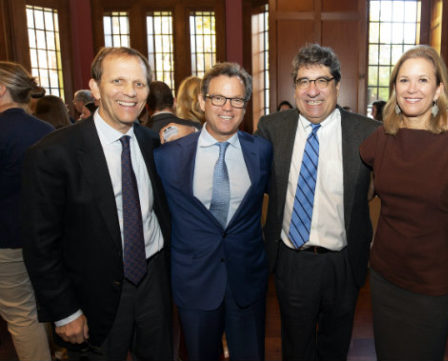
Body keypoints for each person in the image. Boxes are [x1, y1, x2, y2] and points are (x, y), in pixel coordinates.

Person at [21, 47, 172, 360]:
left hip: (154, 282)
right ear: (94, 88)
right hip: (92, 292)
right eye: (118, 81)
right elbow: (40, 244)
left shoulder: (151, 143)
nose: (130, 92)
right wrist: (63, 311)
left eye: (139, 84)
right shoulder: (53, 153)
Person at [255, 43, 379, 360]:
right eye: (303, 81)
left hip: (343, 261)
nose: (313, 91)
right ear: (294, 87)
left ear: (337, 85)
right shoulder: (272, 129)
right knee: (295, 347)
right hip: (292, 261)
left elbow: (405, 165)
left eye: (322, 80)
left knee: (335, 347)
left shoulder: (369, 133)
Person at [359, 45, 448, 360]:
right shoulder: (380, 139)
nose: (412, 89)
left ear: (439, 89)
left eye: (423, 80)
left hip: (431, 283)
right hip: (384, 275)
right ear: (394, 88)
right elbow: (357, 185)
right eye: (404, 80)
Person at [155, 62, 272, 360]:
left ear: (245, 106)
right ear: (202, 101)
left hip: (247, 281)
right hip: (195, 282)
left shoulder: (260, 151)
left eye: (236, 100)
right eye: (218, 98)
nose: (227, 107)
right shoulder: (168, 156)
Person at [0, 61, 53, 361]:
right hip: (46, 236)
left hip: (7, 239)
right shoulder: (46, 129)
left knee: (21, 316)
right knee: (40, 306)